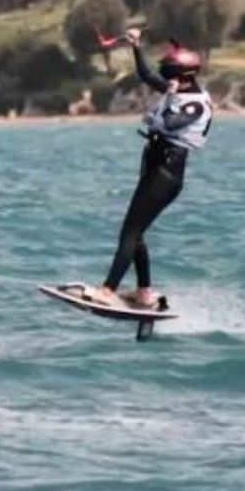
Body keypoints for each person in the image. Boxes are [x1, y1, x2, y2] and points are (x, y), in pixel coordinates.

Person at [87, 28, 212, 309]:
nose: (165, 79)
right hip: (154, 171)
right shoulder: (178, 88)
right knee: (136, 232)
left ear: (182, 76)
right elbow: (145, 75)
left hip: (166, 176)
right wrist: (135, 46)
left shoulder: (196, 105)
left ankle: (107, 290)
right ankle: (144, 293)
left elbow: (169, 123)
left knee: (129, 233)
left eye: (169, 75)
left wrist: (169, 96)